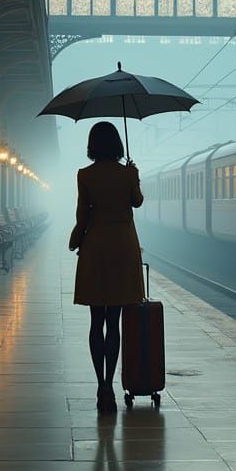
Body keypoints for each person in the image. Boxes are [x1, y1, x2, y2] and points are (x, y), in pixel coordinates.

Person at [69, 121, 145, 413]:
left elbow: (81, 215)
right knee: (115, 322)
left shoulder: (85, 175)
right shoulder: (127, 173)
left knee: (95, 321)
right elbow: (137, 203)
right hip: (123, 248)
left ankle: (100, 384)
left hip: (96, 248)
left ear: (92, 145)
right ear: (117, 144)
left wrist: (77, 240)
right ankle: (111, 385)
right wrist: (134, 176)